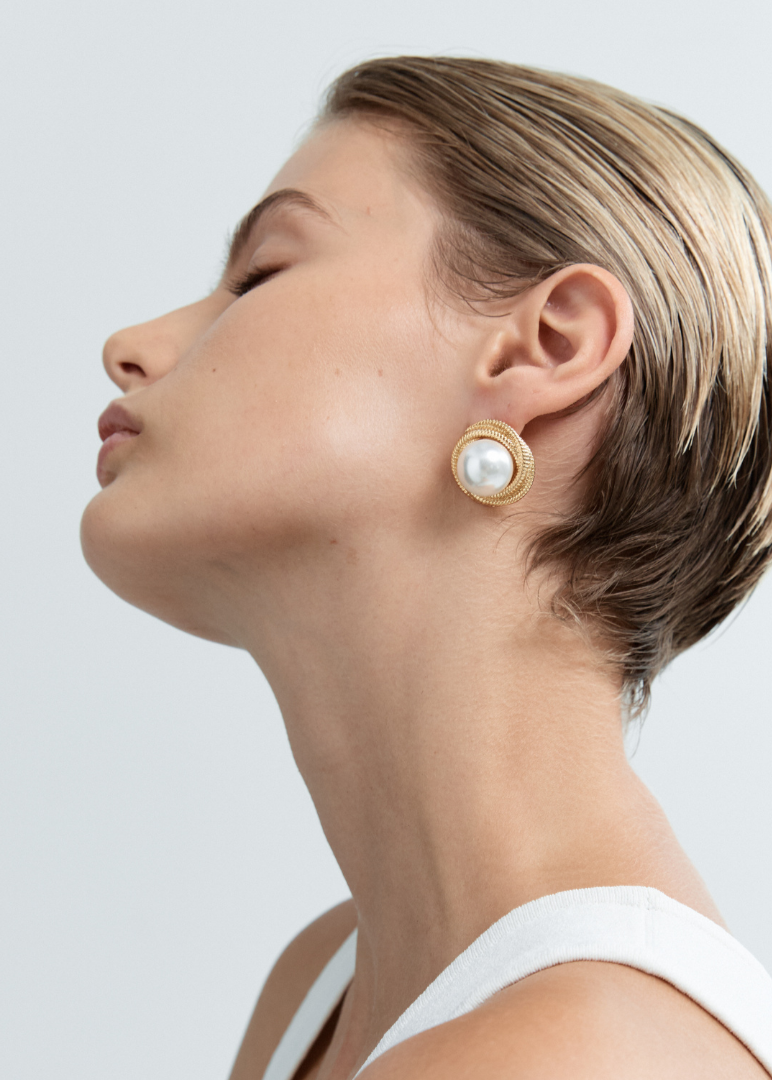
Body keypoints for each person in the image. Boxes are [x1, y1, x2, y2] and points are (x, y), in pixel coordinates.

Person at [81, 56, 772, 1079]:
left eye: (262, 272)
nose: (129, 346)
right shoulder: (322, 988)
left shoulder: (572, 1057)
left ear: (545, 348)